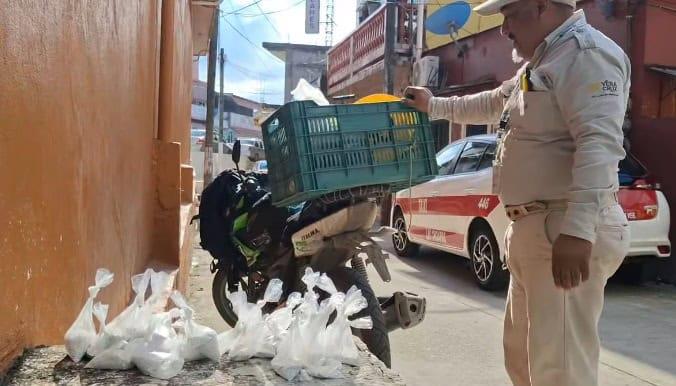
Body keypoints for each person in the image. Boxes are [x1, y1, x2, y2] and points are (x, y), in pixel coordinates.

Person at [404, 0, 630, 385]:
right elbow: (495, 103)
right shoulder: (543, 61)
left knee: (560, 371)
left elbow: (599, 146)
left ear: (541, 6)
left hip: (562, 228)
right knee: (524, 362)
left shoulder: (586, 56)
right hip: (534, 231)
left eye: (510, 15)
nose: (505, 29)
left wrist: (577, 231)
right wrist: (434, 105)